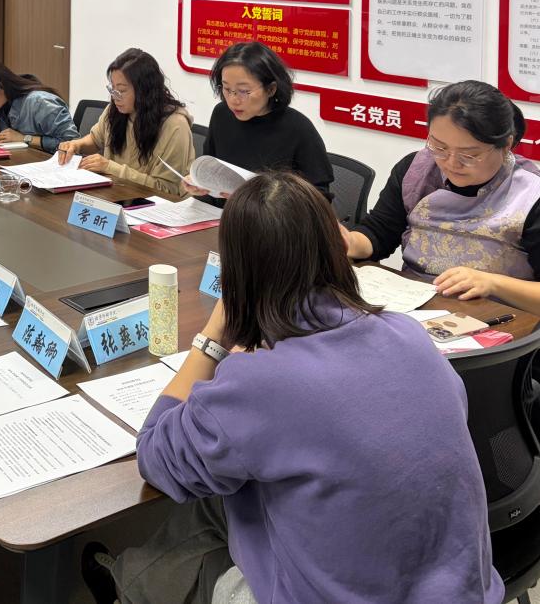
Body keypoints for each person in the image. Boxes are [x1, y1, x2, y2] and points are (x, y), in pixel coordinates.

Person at [85, 172, 501, 604]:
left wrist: (212, 338)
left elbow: (155, 456)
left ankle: (127, 587)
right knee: (226, 487)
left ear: (238, 273)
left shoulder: (261, 383)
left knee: (214, 496)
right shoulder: (408, 333)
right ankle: (132, 581)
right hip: (463, 590)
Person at [344, 80, 540, 315]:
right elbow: (379, 233)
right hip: (418, 306)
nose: (451, 163)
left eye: (469, 155)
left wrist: (493, 283)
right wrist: (348, 242)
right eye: (439, 147)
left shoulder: (530, 195)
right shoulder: (416, 171)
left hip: (500, 318)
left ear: (506, 145)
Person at [183, 41, 332, 204]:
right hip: (218, 214)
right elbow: (210, 168)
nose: (233, 100)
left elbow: (320, 199)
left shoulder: (298, 129)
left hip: (270, 219)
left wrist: (254, 201)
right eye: (227, 89)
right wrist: (199, 183)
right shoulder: (222, 114)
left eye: (244, 91)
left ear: (271, 89)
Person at [56, 48, 193, 195]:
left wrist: (110, 168)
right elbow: (96, 139)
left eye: (121, 90)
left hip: (156, 203)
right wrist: (76, 145)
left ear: (144, 90)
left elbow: (168, 189)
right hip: (117, 194)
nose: (115, 97)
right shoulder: (116, 110)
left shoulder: (175, 126)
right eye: (112, 89)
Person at [0, 56, 78, 153]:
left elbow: (73, 144)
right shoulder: (0, 107)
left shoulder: (39, 103)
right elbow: (12, 139)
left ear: (1, 86)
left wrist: (25, 139)